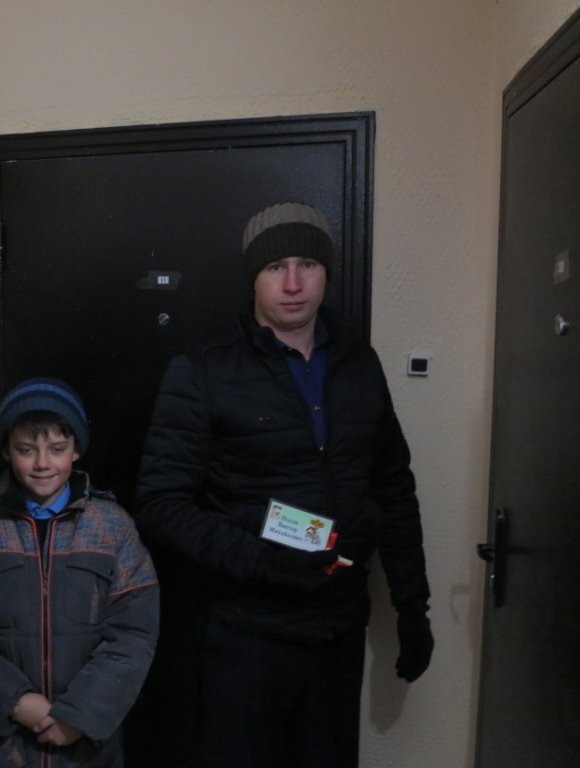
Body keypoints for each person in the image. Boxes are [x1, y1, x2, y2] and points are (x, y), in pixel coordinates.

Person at [135, 202, 434, 768]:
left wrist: (412, 605)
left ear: (327, 273)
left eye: (307, 265)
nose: (293, 284)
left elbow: (394, 489)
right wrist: (261, 561)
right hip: (246, 637)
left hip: (338, 632)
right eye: (275, 267)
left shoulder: (359, 363)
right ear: (253, 277)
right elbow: (161, 505)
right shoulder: (203, 369)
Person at [0, 378, 159, 768]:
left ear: (75, 450)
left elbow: (134, 633)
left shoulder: (113, 527)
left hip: (87, 744)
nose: (42, 463)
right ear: (6, 450)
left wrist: (79, 715)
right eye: (26, 450)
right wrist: (15, 700)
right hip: (3, 739)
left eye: (57, 449)